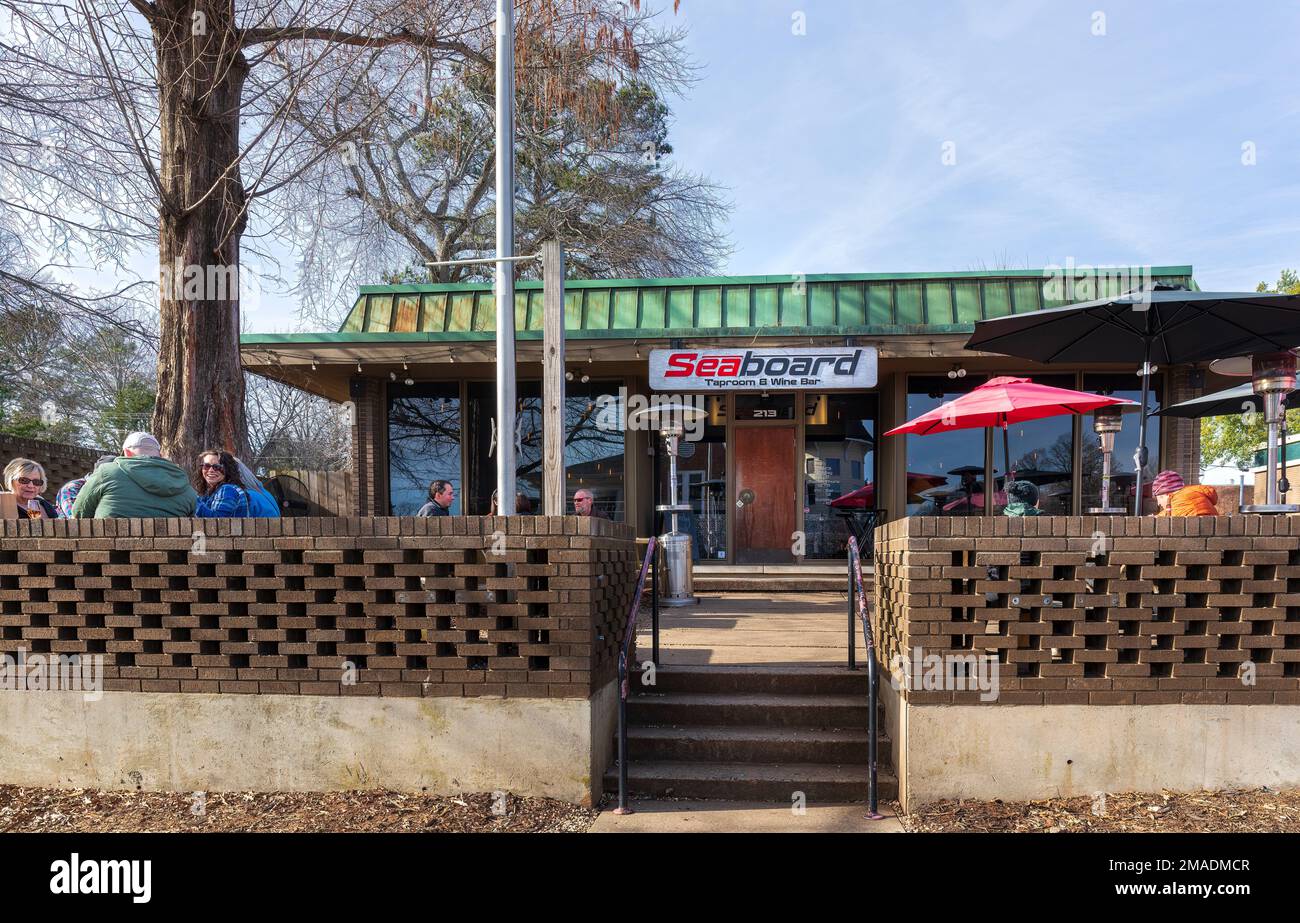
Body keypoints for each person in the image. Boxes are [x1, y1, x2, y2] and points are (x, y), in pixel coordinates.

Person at [71, 431, 197, 519]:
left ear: (127, 452)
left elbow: (79, 512)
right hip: (172, 554)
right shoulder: (183, 484)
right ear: (160, 454)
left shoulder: (107, 472)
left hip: (110, 553)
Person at [193, 449, 250, 517]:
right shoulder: (210, 492)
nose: (211, 470)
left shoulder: (228, 489)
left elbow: (219, 522)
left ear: (228, 470)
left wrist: (191, 499)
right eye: (206, 466)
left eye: (217, 467)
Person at [1152, 470, 1218, 517]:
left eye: (1160, 497)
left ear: (1167, 494)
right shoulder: (1189, 495)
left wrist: (1154, 519)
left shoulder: (1181, 499)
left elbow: (1170, 517)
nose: (1158, 503)